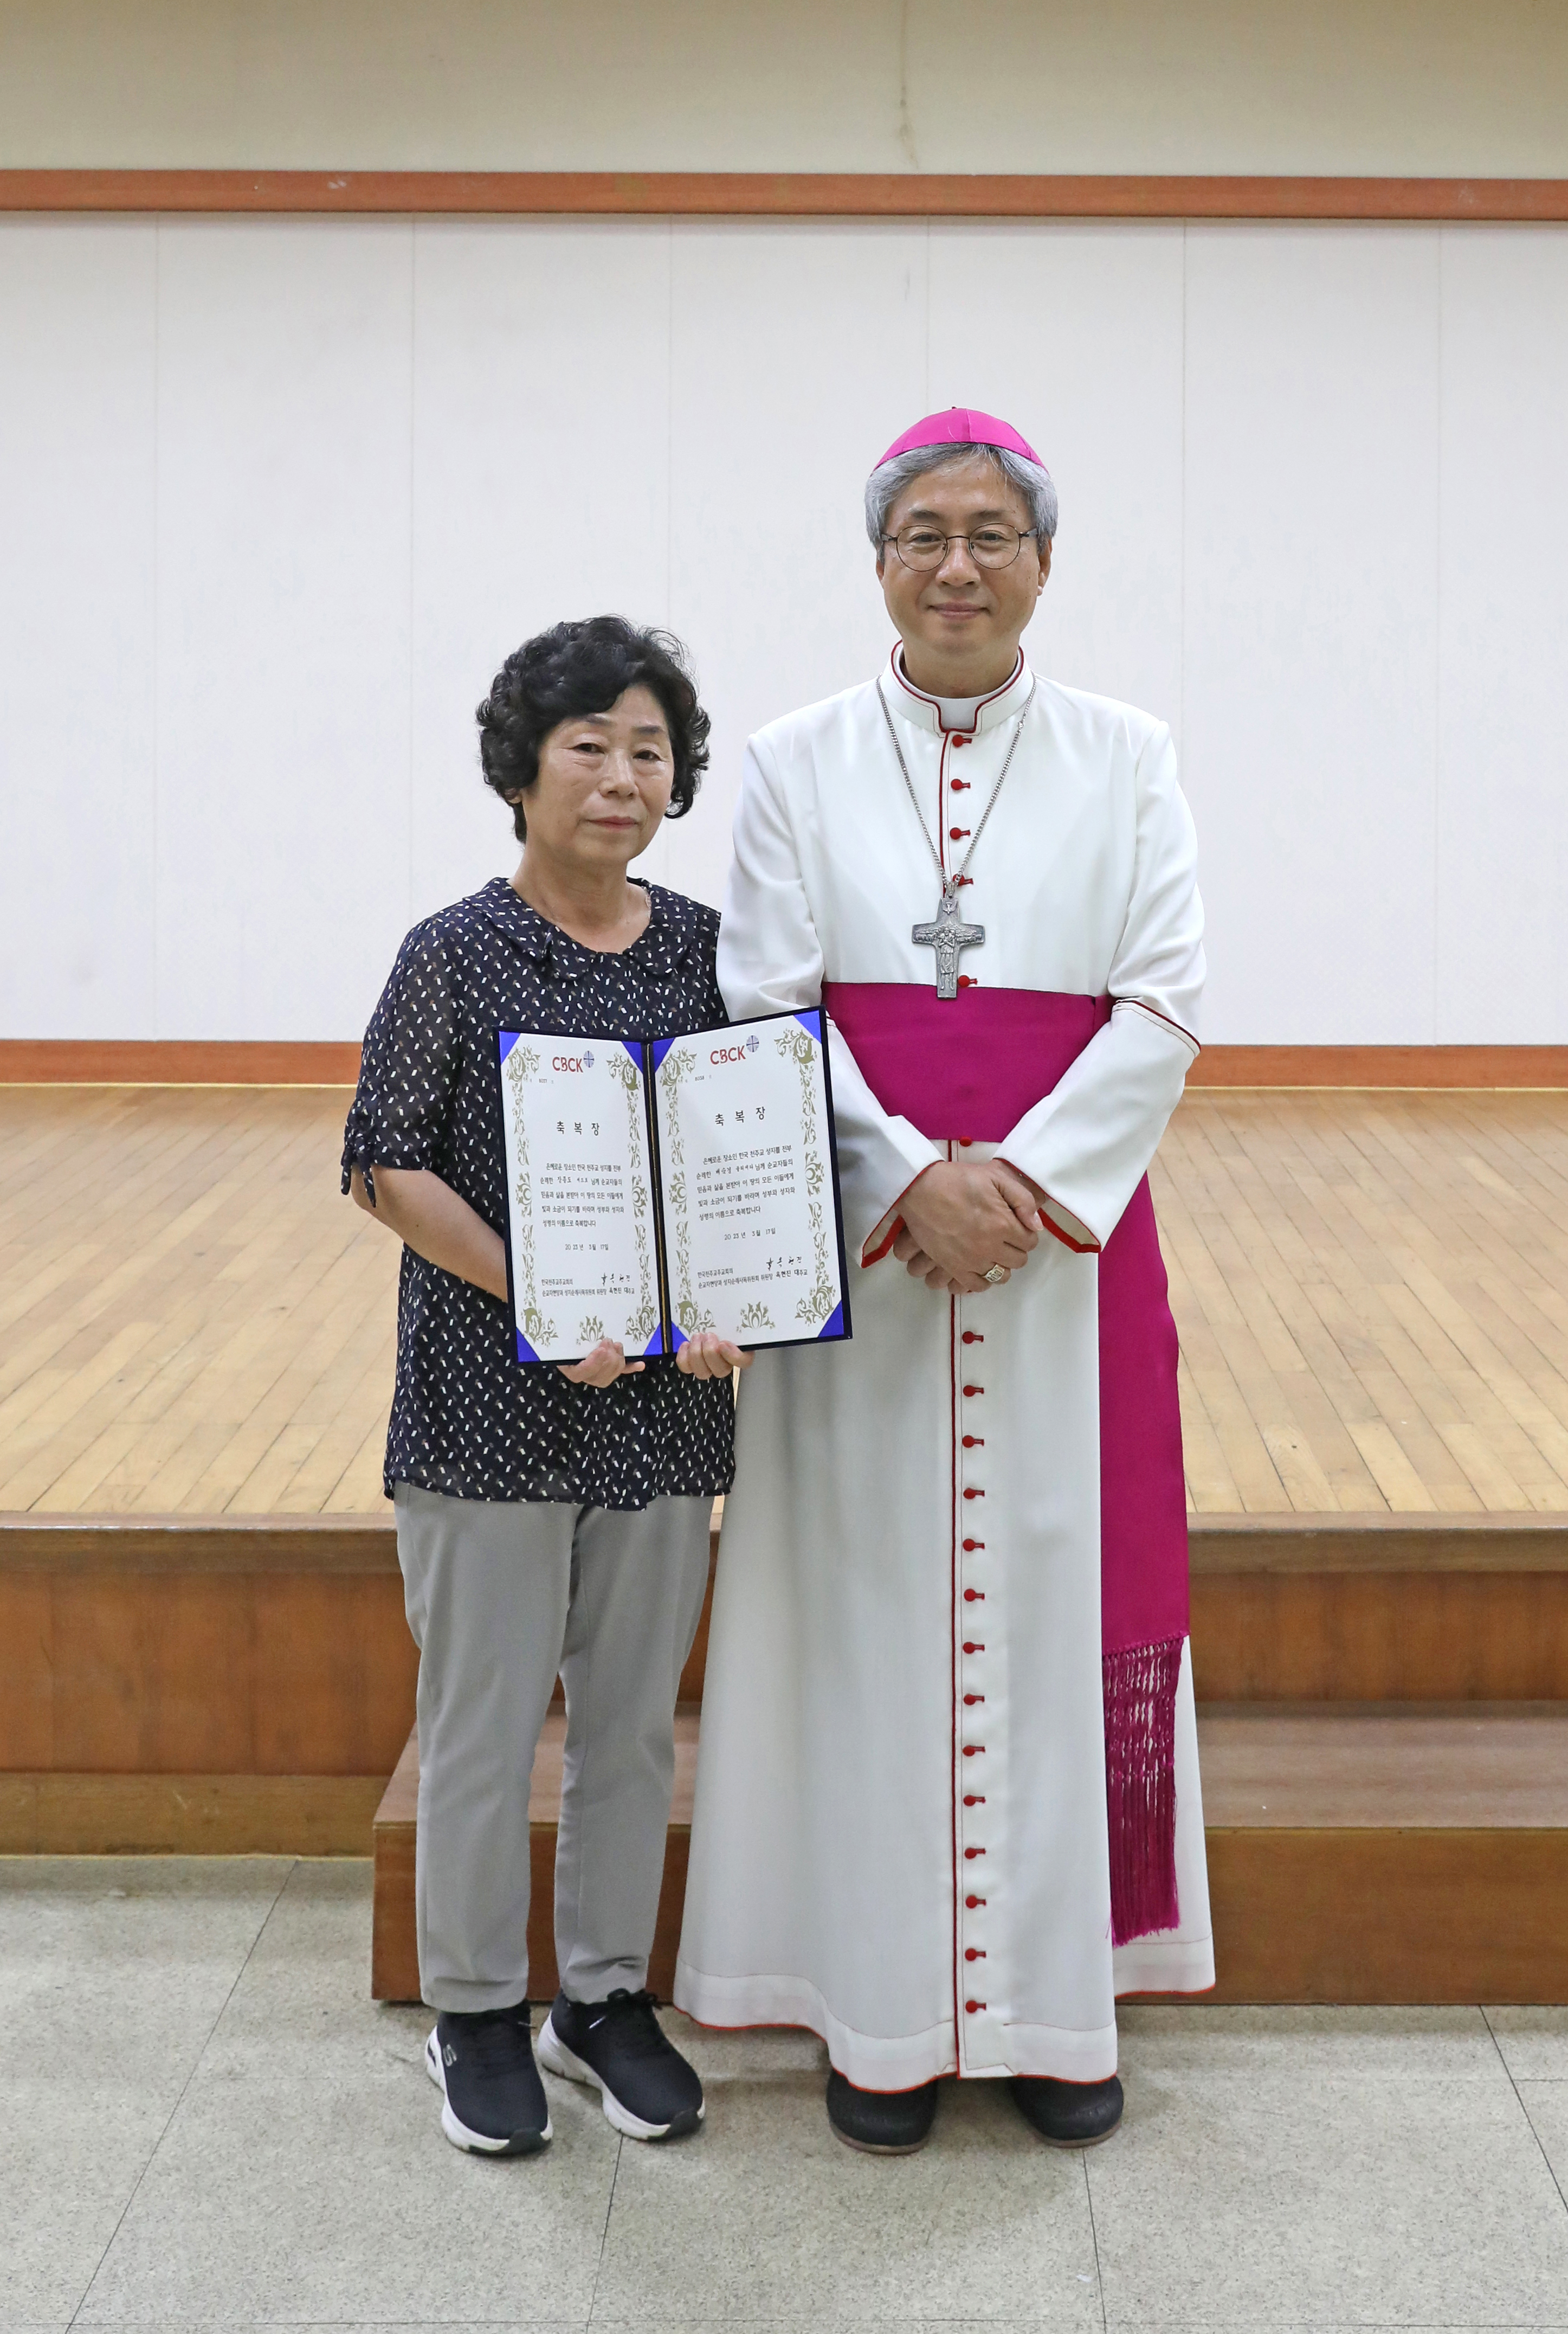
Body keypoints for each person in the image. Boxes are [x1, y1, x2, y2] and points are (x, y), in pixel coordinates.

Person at [675, 408, 1212, 2153]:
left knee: (1060, 1610)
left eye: (993, 530)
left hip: (1061, 1274)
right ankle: (881, 2021)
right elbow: (767, 1001)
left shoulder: (1129, 753)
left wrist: (1025, 1184)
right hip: (869, 1269)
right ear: (882, 560)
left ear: (1044, 558)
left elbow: (1165, 997)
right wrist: (908, 1173)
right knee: (863, 1618)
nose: (960, 562)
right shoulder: (797, 755)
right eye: (926, 531)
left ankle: (1061, 2020)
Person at [344, 616, 748, 2158]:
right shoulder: (450, 951)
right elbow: (381, 1161)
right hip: (488, 1404)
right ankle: (472, 2008)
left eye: (648, 749)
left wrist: (725, 1298)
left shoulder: (709, 949)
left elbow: (742, 1159)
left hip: (659, 1405)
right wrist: (547, 1290)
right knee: (484, 1719)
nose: (620, 775)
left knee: (634, 1722)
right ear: (524, 769)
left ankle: (598, 1994)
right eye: (588, 745)